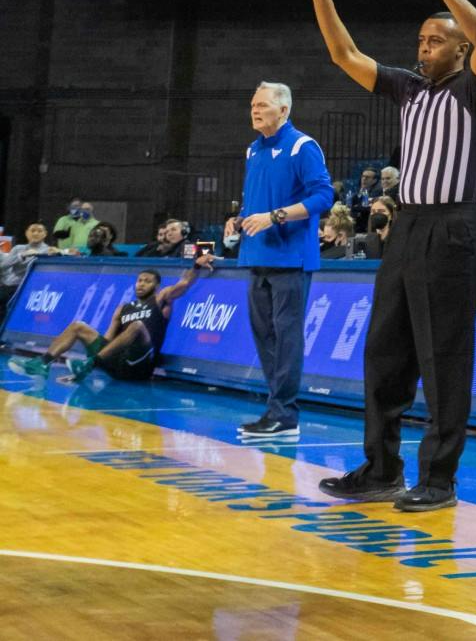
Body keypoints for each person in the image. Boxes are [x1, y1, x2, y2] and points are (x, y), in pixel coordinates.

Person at [304, 0, 476, 514]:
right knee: (384, 351)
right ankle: (382, 469)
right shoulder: (409, 89)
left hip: (455, 227)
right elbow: (345, 56)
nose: (424, 48)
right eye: (420, 40)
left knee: (443, 355)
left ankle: (438, 478)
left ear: (460, 50)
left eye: (436, 40)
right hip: (408, 227)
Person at [237, 81, 337, 442]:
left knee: (287, 339)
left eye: (262, 104)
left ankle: (285, 415)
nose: (255, 110)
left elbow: (324, 195)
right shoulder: (252, 150)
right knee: (265, 337)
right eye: (253, 104)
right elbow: (257, 201)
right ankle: (275, 410)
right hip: (256, 255)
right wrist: (243, 218)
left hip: (290, 259)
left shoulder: (302, 146)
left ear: (283, 110)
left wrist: (275, 216)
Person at [8, 253, 214, 382]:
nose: (141, 284)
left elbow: (185, 284)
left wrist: (196, 265)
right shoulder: (123, 308)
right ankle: (43, 363)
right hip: (116, 363)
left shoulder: (161, 300)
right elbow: (107, 340)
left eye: (147, 281)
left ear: (156, 286)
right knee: (78, 326)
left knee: (137, 326)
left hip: (140, 365)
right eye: (139, 280)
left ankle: (89, 363)